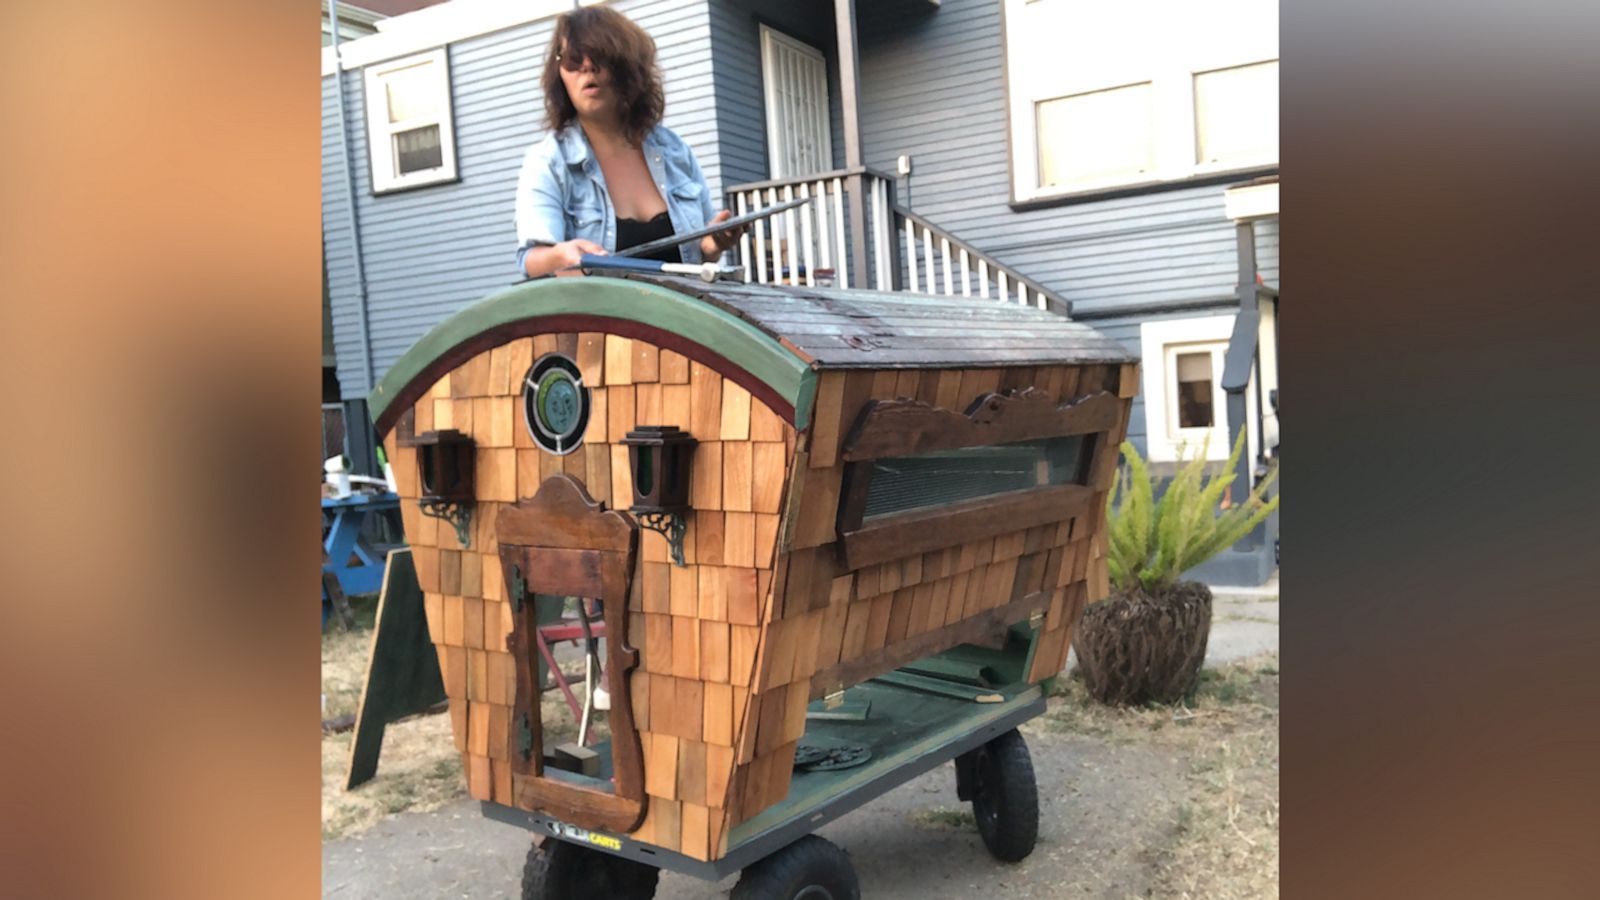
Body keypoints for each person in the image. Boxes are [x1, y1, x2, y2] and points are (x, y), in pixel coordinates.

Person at [514, 7, 741, 279]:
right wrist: (561, 256)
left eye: (599, 56)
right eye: (573, 59)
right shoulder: (547, 162)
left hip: (679, 319)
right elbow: (529, 259)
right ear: (559, 73)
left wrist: (713, 244)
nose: (586, 66)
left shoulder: (674, 150)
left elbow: (699, 254)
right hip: (595, 321)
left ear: (628, 67)